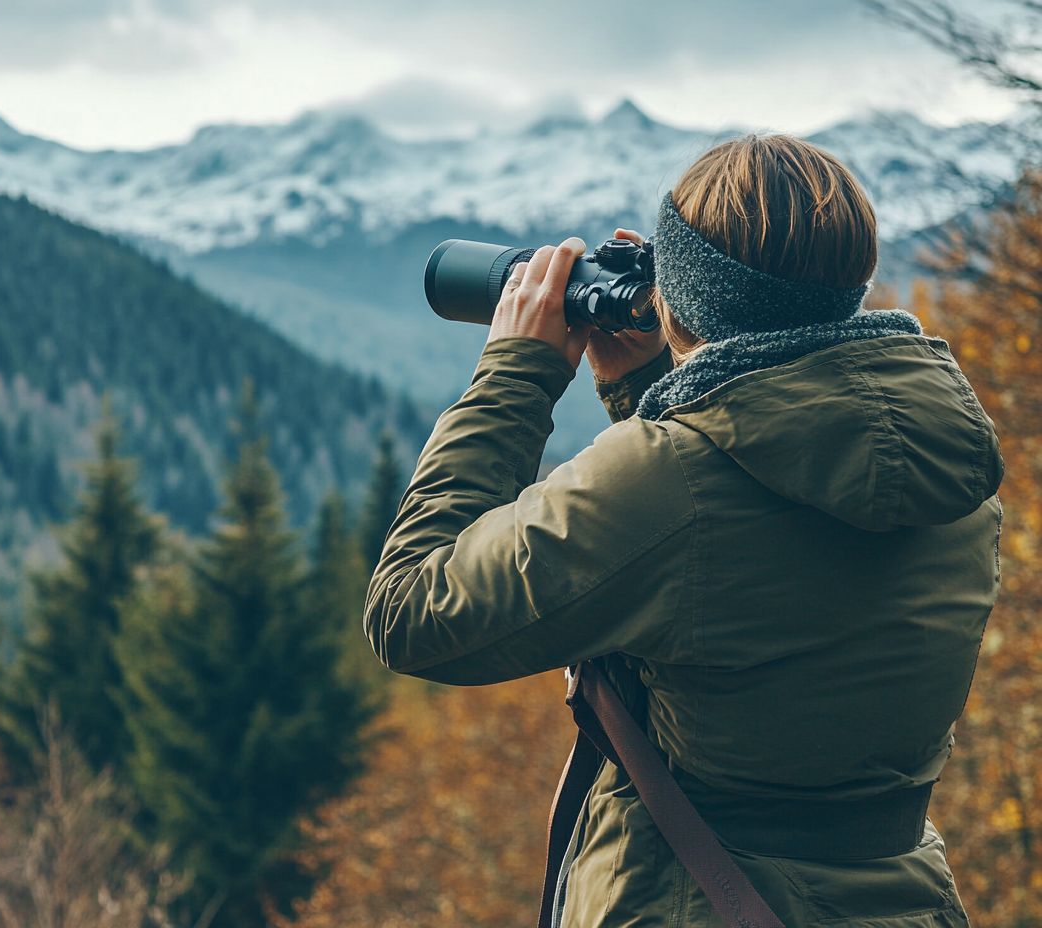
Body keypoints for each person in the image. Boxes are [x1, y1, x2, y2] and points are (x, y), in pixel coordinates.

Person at [363, 133, 1003, 926]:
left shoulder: (671, 485)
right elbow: (740, 565)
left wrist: (515, 375)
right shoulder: (952, 468)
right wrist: (648, 387)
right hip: (898, 898)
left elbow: (411, 613)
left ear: (680, 296)